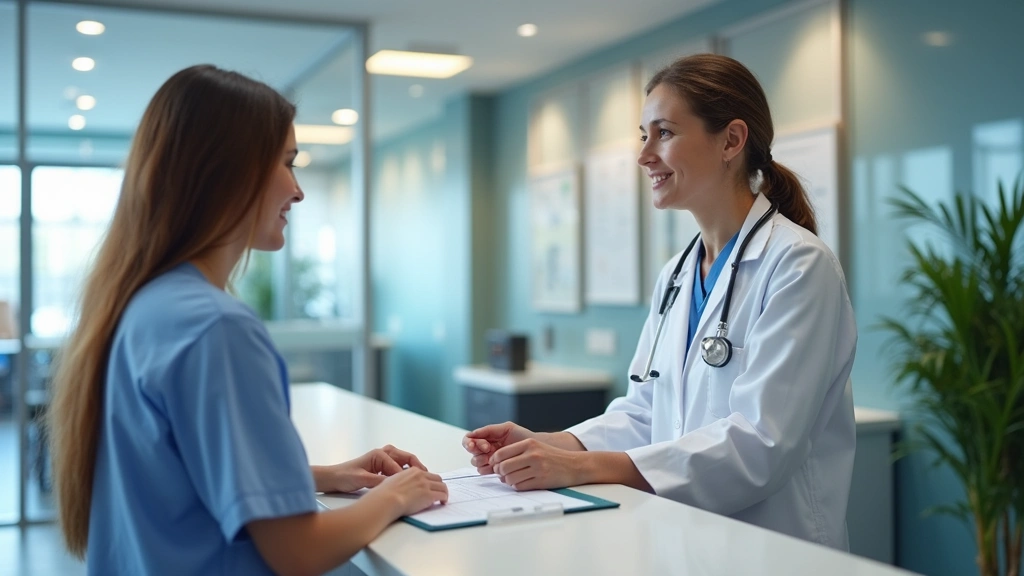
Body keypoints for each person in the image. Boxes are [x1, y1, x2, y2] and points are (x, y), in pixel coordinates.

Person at [48, 65, 448, 576]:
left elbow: (177, 476)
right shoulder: (217, 328)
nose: (298, 191)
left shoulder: (144, 306)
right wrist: (396, 495)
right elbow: (298, 551)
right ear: (227, 171)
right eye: (287, 162)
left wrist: (323, 477)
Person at [463, 54, 857, 550]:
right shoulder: (677, 274)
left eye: (664, 133)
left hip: (773, 547)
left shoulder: (798, 264)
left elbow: (761, 444)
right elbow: (645, 412)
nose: (644, 155)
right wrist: (547, 443)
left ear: (731, 141)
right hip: (685, 538)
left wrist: (579, 467)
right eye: (643, 135)